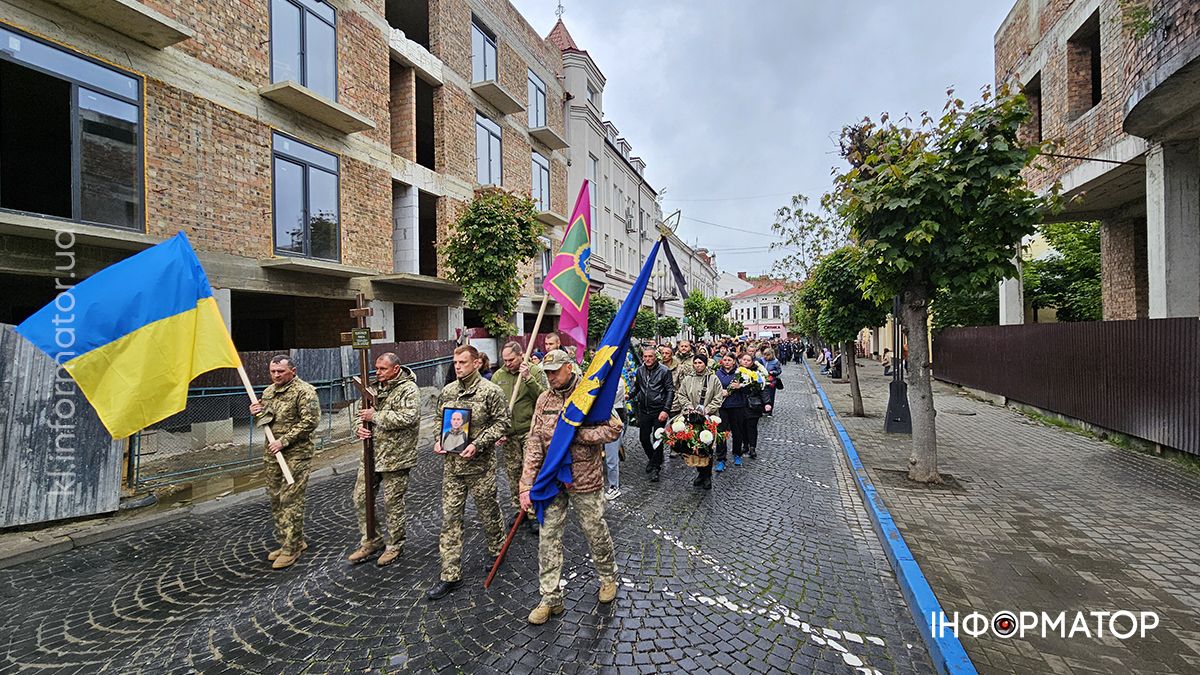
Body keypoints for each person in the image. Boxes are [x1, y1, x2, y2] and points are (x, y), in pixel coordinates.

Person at [519, 350, 623, 624]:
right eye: (547, 373)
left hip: (585, 478)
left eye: (555, 371)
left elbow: (614, 428)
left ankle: (607, 577)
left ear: (569, 367)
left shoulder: (590, 394)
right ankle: (550, 598)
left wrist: (577, 434)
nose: (551, 377)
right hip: (551, 479)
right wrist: (525, 485)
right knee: (548, 537)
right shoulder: (544, 399)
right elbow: (533, 442)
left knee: (595, 531)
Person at [427, 346, 510, 601]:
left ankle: (497, 550)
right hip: (452, 468)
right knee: (450, 519)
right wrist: (438, 440)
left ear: (476, 363)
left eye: (463, 362)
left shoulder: (490, 392)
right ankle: (450, 575)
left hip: (480, 467)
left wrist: (478, 443)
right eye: (455, 362)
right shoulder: (448, 391)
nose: (458, 366)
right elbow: (437, 420)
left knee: (489, 513)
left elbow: (502, 423)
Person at [348, 352, 420, 567]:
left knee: (392, 503)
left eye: (382, 369)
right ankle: (371, 539)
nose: (377, 372)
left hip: (396, 457)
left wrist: (375, 417)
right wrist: (359, 428)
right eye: (376, 369)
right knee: (360, 497)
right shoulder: (372, 388)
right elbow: (359, 414)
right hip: (371, 454)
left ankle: (395, 544)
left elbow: (409, 417)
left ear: (395, 369)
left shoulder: (408, 389)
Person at [250, 355, 320, 570]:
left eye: (280, 371)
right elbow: (267, 420)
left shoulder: (304, 391)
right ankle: (289, 540)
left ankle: (292, 549)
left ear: (293, 371)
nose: (276, 375)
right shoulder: (268, 392)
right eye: (273, 371)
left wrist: (285, 440)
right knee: (275, 498)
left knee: (291, 499)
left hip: (296, 453)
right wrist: (256, 413)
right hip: (272, 453)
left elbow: (310, 421)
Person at [492, 341, 547, 534]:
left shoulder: (533, 371)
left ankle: (533, 513)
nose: (507, 363)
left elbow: (545, 398)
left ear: (521, 355)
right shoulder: (499, 376)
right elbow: (494, 407)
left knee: (529, 473)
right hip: (509, 434)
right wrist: (497, 430)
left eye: (511, 359)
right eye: (505, 360)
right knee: (513, 473)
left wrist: (528, 378)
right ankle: (520, 510)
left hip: (529, 432)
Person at [672, 354, 725, 490]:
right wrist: (688, 406)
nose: (697, 365)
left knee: (707, 446)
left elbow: (718, 397)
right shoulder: (688, 379)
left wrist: (708, 409)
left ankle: (707, 476)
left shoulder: (713, 379)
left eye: (700, 363)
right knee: (694, 446)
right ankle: (700, 473)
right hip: (692, 417)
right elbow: (681, 394)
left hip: (708, 417)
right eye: (695, 363)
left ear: (705, 364)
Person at [628, 346, 674, 482]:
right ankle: (653, 459)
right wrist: (628, 395)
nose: (647, 359)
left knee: (657, 440)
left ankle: (656, 467)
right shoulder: (640, 371)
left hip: (659, 410)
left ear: (656, 357)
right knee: (643, 438)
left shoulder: (664, 371)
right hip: (644, 410)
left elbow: (670, 391)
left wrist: (666, 410)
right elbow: (637, 387)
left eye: (650, 356)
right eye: (645, 356)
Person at [713, 354, 746, 472]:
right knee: (721, 433)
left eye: (729, 360)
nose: (726, 362)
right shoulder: (717, 374)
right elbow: (712, 388)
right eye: (725, 360)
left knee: (737, 432)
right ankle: (721, 458)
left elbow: (748, 388)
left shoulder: (740, 373)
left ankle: (737, 453)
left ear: (733, 362)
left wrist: (740, 386)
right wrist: (719, 392)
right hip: (722, 407)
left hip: (737, 406)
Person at [603, 376, 627, 500]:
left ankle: (614, 487)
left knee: (611, 457)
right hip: (599, 422)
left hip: (613, 420)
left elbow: (610, 399)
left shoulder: (619, 381)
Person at [740, 352, 767, 459]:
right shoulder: (738, 372)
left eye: (748, 360)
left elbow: (763, 389)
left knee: (751, 427)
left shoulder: (757, 373)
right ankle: (745, 445)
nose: (746, 362)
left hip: (753, 405)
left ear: (752, 362)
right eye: (744, 360)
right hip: (740, 404)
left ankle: (752, 447)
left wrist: (767, 403)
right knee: (742, 427)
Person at [760, 348, 782, 416]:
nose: (765, 356)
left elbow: (779, 371)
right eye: (764, 355)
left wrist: (773, 372)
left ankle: (769, 411)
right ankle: (762, 409)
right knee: (762, 395)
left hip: (771, 381)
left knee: (770, 396)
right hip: (762, 380)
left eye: (767, 355)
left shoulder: (775, 361)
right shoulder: (761, 360)